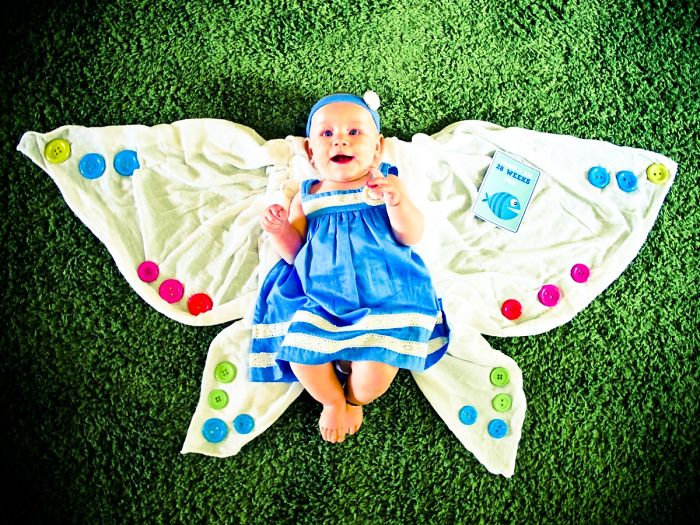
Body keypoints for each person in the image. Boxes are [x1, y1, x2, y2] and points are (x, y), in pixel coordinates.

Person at [249, 91, 449, 443]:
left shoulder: (385, 185)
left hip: (385, 295)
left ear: (378, 147)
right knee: (302, 358)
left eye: (354, 132)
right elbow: (295, 253)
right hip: (320, 296)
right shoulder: (307, 196)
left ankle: (356, 399)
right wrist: (279, 230)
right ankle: (332, 401)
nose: (340, 140)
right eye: (327, 134)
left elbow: (410, 235)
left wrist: (397, 202)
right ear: (311, 151)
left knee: (375, 376)